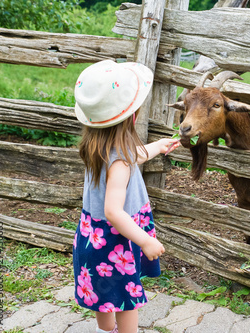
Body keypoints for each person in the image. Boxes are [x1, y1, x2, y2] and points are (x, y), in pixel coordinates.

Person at [72, 60, 180, 333]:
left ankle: (105, 330)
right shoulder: (120, 159)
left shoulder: (96, 146)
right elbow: (113, 211)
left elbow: (131, 157)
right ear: (131, 117)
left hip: (92, 236)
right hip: (117, 239)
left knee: (103, 295)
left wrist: (158, 146)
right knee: (127, 299)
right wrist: (145, 241)